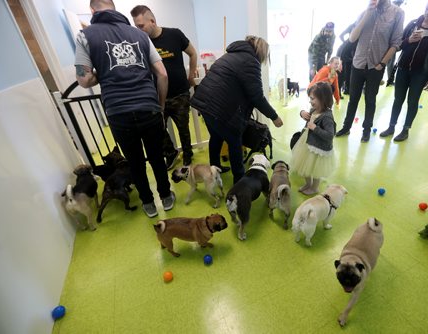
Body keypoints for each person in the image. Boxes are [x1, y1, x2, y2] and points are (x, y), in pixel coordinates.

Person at [75, 0, 175, 217]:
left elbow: (83, 81)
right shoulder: (140, 35)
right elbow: (162, 74)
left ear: (93, 10)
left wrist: (104, 72)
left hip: (118, 112)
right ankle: (166, 197)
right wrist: (160, 105)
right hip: (149, 108)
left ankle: (148, 204)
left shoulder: (85, 35)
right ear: (114, 8)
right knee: (157, 156)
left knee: (135, 162)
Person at [190, 36, 283, 184]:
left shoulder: (231, 55)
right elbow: (257, 97)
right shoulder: (251, 61)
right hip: (218, 107)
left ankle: (215, 169)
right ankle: (239, 180)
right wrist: (274, 117)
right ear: (262, 52)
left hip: (204, 103)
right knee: (234, 142)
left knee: (216, 137)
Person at [130, 5, 197, 167]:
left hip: (180, 94)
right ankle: (171, 152)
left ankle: (188, 155)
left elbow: (193, 53)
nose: (138, 30)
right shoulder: (140, 42)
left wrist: (191, 74)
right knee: (157, 130)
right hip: (156, 97)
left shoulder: (174, 34)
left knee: (183, 129)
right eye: (136, 26)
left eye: (141, 26)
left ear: (152, 21)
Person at [380, 0, 428, 142]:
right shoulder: (414, 23)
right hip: (403, 68)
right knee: (398, 100)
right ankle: (391, 127)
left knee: (412, 102)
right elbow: (398, 45)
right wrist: (409, 40)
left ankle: (405, 129)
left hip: (421, 72)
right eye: (426, 8)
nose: (427, 12)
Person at [335, 0, 404, 143]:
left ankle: (366, 130)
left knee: (370, 99)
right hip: (358, 63)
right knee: (353, 98)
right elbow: (352, 38)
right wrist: (367, 13)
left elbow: (396, 43)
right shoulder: (365, 12)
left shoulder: (397, 13)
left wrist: (382, 63)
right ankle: (346, 127)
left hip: (376, 66)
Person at [291, 82, 336, 195]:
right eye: (310, 98)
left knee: (315, 170)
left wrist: (315, 128)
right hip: (307, 143)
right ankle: (307, 184)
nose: (310, 101)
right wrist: (302, 113)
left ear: (323, 99)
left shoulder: (327, 117)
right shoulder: (313, 110)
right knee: (304, 167)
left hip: (317, 148)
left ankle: (314, 187)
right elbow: (306, 116)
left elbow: (330, 136)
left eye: (312, 98)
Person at [386, 0, 406, 86]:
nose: (399, 6)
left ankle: (390, 81)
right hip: (382, 43)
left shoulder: (400, 14)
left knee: (390, 64)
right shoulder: (387, 12)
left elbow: (398, 33)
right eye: (398, 3)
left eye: (400, 4)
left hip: (392, 45)